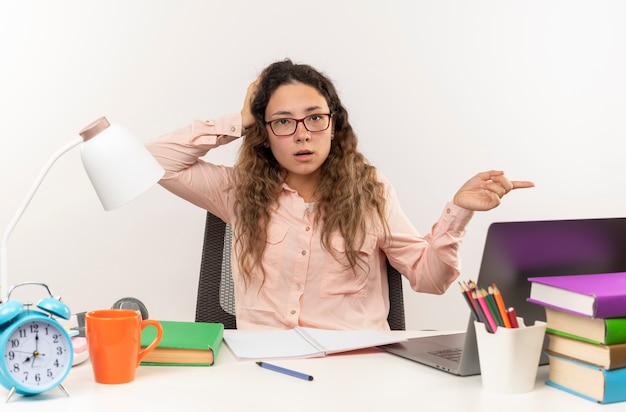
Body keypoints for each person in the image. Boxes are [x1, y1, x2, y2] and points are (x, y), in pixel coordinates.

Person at [146, 59, 534, 331]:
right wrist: (242, 118)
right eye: (283, 121)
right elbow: (151, 161)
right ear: (263, 134)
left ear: (334, 125)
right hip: (262, 370)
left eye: (315, 118)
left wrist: (459, 213)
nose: (301, 133)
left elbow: (430, 279)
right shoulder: (236, 191)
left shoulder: (371, 192)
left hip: (356, 370)